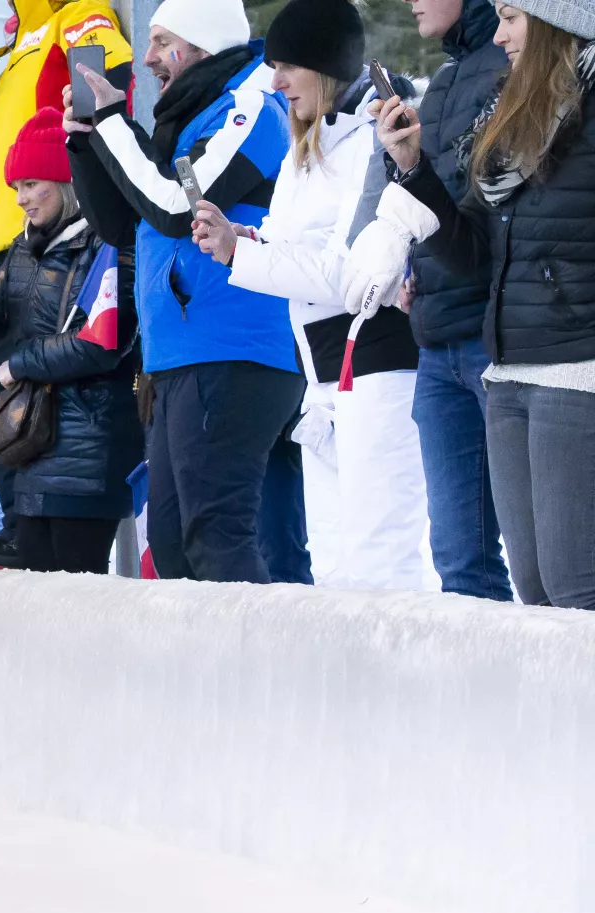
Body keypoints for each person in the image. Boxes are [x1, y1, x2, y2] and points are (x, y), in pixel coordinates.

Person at [192, 0, 434, 591]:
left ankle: (406, 680)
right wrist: (249, 237)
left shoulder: (368, 142)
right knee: (332, 562)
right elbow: (293, 247)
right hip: (322, 375)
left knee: (383, 557)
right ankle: (350, 683)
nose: (275, 83)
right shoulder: (306, 148)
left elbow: (347, 274)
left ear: (325, 68)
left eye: (287, 68)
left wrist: (239, 253)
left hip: (377, 361)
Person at [64, 0, 306, 584]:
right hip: (181, 355)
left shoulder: (251, 108)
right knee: (171, 546)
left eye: (161, 42)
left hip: (235, 349)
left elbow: (178, 206)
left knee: (215, 534)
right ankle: (203, 674)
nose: (146, 59)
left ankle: (253, 674)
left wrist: (114, 125)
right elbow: (128, 225)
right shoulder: (190, 123)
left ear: (201, 44)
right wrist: (86, 144)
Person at [364, 0, 595, 609]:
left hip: (577, 370)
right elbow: (468, 252)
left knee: (576, 589)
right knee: (537, 592)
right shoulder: (509, 115)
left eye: (512, 18)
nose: (500, 35)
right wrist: (414, 170)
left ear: (558, 21)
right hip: (509, 367)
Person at [349, 0, 512, 598]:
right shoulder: (443, 83)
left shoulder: (512, 70)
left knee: (541, 566)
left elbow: (498, 217)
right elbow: (435, 207)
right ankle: (477, 691)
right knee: (456, 555)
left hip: (497, 340)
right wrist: (408, 265)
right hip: (438, 342)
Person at [0, 108, 142, 573]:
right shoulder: (21, 249)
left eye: (31, 184)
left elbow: (104, 341)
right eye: (16, 188)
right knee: (38, 598)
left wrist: (21, 362)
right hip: (32, 447)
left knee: (75, 595)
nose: (22, 199)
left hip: (90, 452)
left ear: (67, 181)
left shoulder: (109, 243)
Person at [0, 2, 133, 257]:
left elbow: (115, 81)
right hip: (2, 247)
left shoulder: (78, 15)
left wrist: (90, 181)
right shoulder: (24, 46)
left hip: (57, 239)